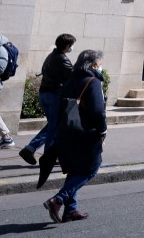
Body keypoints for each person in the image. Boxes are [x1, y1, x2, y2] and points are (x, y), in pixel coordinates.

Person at [43, 49, 107, 223]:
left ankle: (71, 210)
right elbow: (98, 111)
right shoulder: (93, 82)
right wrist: (102, 130)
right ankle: (58, 200)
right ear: (93, 64)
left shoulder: (70, 80)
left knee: (75, 169)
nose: (100, 67)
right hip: (86, 134)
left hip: (67, 131)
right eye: (99, 64)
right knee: (91, 168)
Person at [20, 34, 76, 165]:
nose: (72, 48)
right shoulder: (63, 59)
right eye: (71, 45)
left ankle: (32, 149)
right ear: (67, 46)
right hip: (54, 95)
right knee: (55, 126)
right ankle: (47, 156)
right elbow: (73, 79)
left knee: (54, 125)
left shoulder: (51, 56)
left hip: (44, 94)